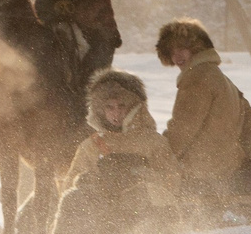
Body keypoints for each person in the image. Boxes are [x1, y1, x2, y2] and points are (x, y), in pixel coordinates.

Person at [157, 20, 251, 193]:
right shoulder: (220, 77)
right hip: (227, 169)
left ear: (196, 48)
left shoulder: (197, 77)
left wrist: (161, 157)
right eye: (172, 52)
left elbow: (184, 127)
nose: (177, 57)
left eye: (182, 49)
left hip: (200, 172)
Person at [58, 67, 180, 212]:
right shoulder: (91, 145)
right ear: (100, 110)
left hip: (147, 214)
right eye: (109, 107)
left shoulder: (153, 142)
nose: (116, 113)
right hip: (102, 215)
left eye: (121, 106)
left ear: (134, 106)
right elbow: (69, 187)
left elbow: (172, 181)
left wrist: (145, 180)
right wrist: (91, 181)